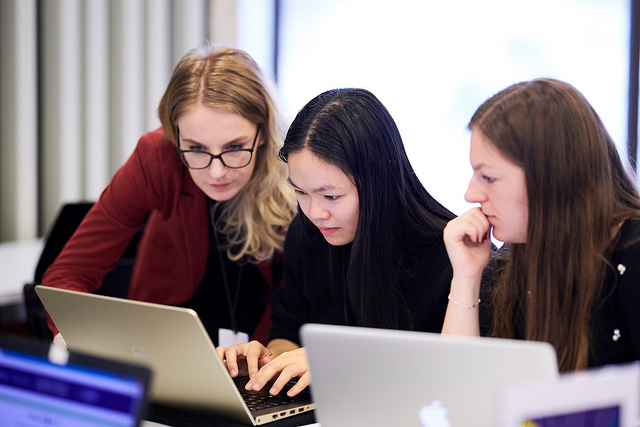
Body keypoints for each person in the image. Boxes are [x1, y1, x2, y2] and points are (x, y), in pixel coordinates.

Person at [42, 44, 297, 347]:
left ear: (264, 132)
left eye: (234, 147)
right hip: (166, 344)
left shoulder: (295, 168)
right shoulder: (158, 155)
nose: (216, 172)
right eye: (196, 148)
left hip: (265, 348)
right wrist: (74, 334)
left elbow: (300, 298)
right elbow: (69, 274)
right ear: (174, 135)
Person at [217, 88, 457, 396]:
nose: (316, 213)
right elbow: (288, 333)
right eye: (300, 192)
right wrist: (271, 359)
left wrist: (332, 363)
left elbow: (449, 374)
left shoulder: (447, 254)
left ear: (378, 182)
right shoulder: (306, 235)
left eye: (331, 196)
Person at [442, 78, 640, 372]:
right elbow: (458, 389)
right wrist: (466, 278)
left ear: (552, 178)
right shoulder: (517, 256)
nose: (471, 195)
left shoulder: (632, 257)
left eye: (489, 178)